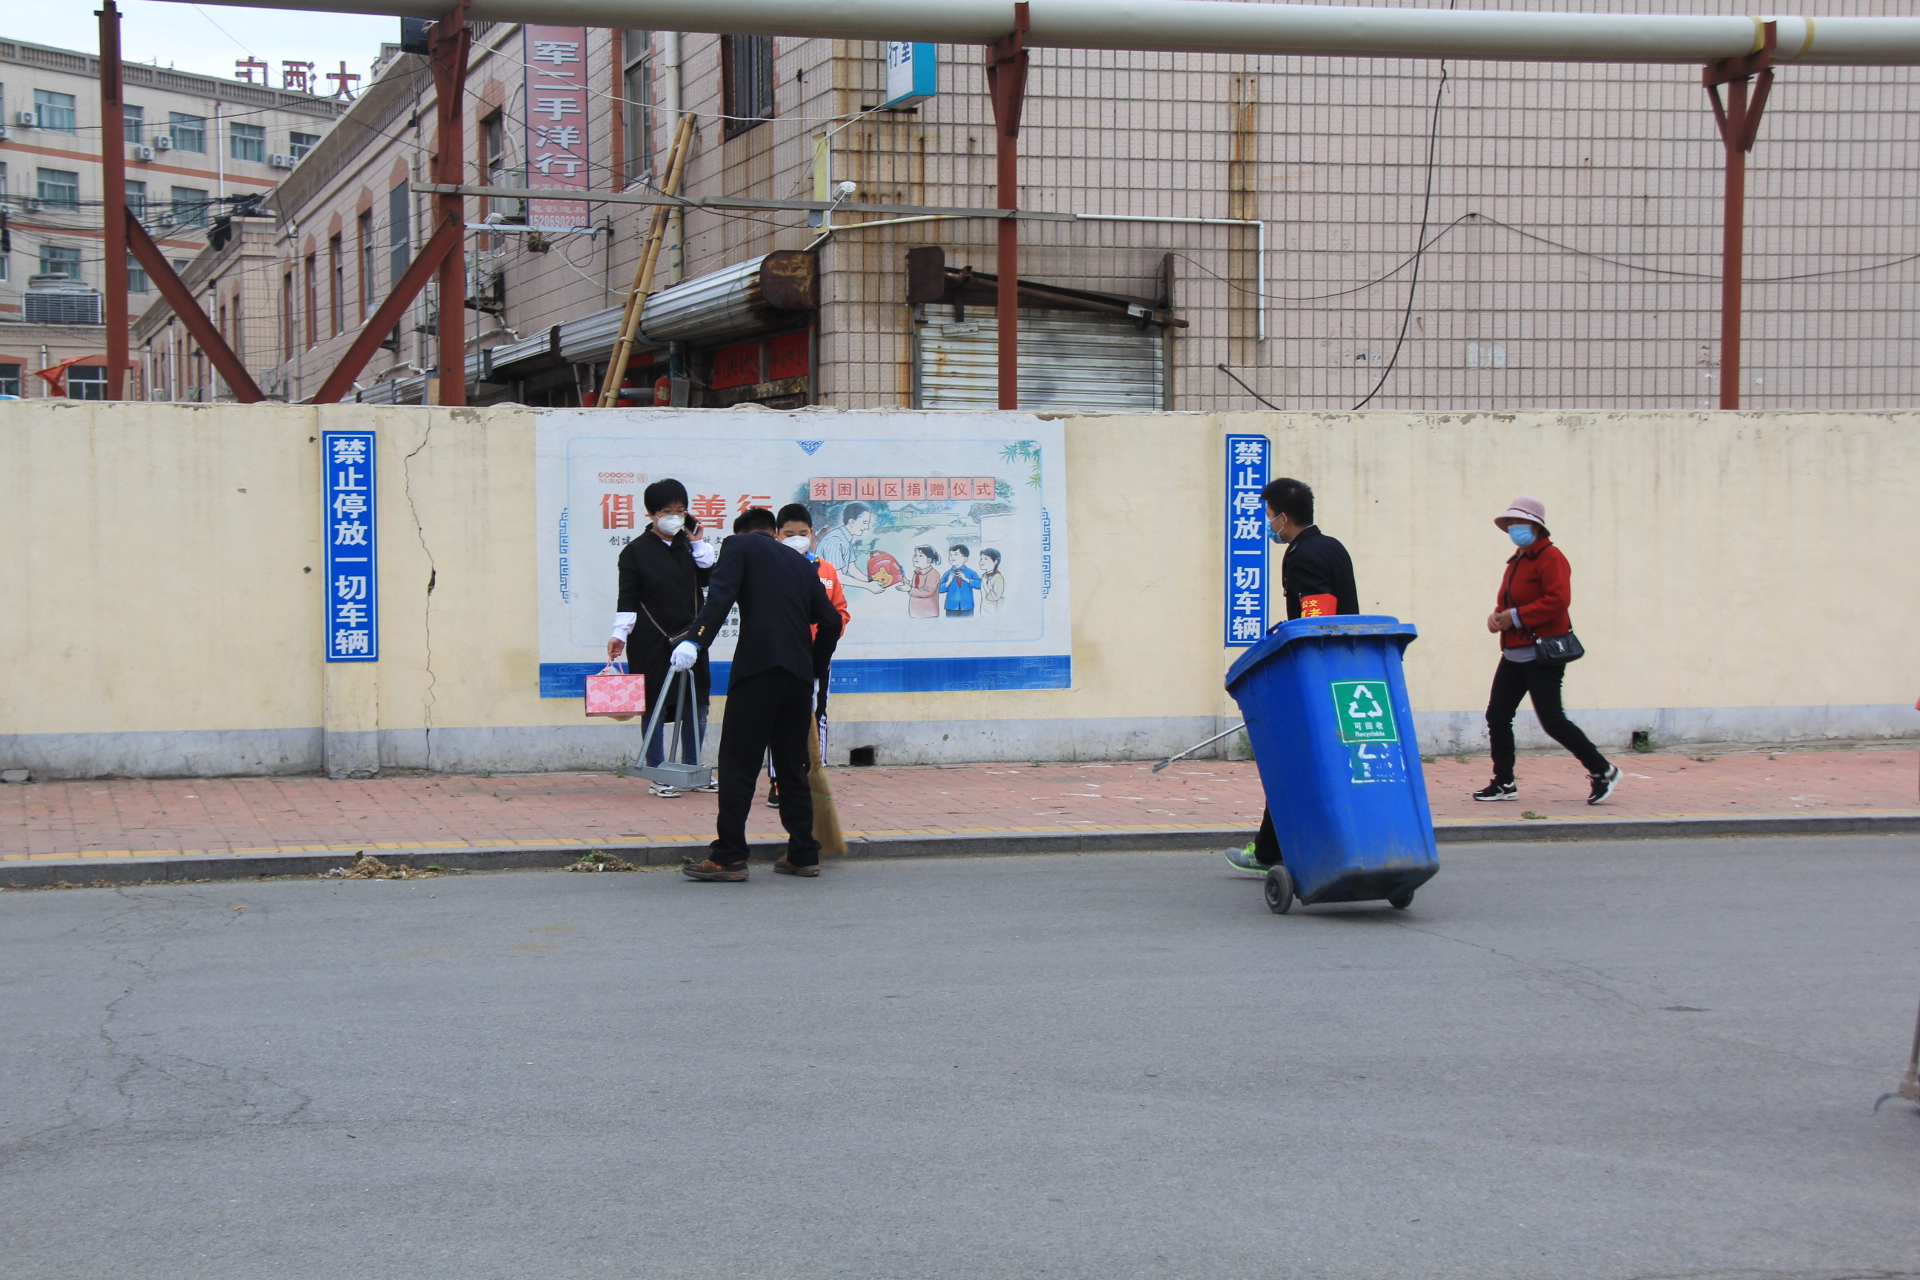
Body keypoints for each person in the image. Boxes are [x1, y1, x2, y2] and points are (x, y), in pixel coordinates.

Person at [671, 507, 844, 882]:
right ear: (773, 532)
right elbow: (831, 621)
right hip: (798, 678)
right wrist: (814, 669)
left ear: (742, 532)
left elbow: (720, 597)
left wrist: (694, 641)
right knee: (791, 766)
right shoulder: (801, 563)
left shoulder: (739, 545)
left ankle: (730, 856)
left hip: (758, 671)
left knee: (738, 763)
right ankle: (803, 853)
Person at [1224, 477, 1360, 874]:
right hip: (1342, 668)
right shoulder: (1332, 546)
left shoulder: (1302, 555)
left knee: (1292, 762)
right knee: (1314, 763)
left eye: (1269, 516)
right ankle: (1283, 847)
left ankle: (1269, 853)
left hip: (1315, 674)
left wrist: (1293, 641)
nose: (1268, 524)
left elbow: (1317, 617)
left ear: (1283, 517)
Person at [1474, 496, 1620, 805]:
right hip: (1513, 653)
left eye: (1520, 523)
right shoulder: (1516, 560)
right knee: (1497, 716)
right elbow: (1507, 602)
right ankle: (1504, 782)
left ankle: (1603, 770)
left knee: (1552, 720)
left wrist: (1514, 617)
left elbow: (1558, 600)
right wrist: (1497, 617)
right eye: (1511, 524)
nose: (1514, 529)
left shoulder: (1551, 557)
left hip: (1541, 654)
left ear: (1536, 527)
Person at [609, 479, 717, 797]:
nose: (675, 517)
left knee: (696, 704)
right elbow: (628, 597)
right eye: (667, 511)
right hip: (651, 640)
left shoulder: (689, 547)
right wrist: (619, 635)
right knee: (654, 705)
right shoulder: (635, 551)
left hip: (691, 639)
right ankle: (657, 771)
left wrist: (698, 542)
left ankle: (692, 768)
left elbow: (710, 578)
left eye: (681, 511)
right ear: (651, 514)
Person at [765, 502, 851, 809]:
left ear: (812, 533)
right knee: (779, 719)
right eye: (789, 534)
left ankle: (815, 777)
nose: (797, 539)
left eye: (802, 533)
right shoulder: (768, 569)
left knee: (817, 716)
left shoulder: (826, 570)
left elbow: (840, 613)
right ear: (776, 535)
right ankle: (778, 781)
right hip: (780, 658)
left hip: (817, 659)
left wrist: (824, 643)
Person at [816, 501, 888, 593]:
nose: (866, 527)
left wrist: (871, 581)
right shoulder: (835, 540)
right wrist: (867, 586)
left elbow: (852, 569)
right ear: (852, 522)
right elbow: (837, 576)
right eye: (864, 523)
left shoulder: (846, 539)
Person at [940, 544, 982, 617]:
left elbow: (980, 585)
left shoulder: (970, 572)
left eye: (956, 554)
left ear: (965, 559)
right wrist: (948, 581)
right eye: (950, 555)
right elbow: (938, 589)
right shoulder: (948, 574)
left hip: (967, 606)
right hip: (951, 607)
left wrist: (966, 579)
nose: (952, 557)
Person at [904, 545, 941, 618]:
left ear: (929, 560)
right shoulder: (917, 572)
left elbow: (927, 591)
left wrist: (909, 589)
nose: (916, 558)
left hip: (928, 613)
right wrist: (907, 581)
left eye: (920, 556)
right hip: (914, 612)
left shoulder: (933, 574)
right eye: (915, 555)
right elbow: (917, 585)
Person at [978, 548, 1007, 615]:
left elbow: (995, 597)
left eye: (986, 559)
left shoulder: (998, 577)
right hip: (984, 610)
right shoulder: (984, 576)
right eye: (981, 559)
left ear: (995, 562)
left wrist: (985, 585)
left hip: (994, 611)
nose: (982, 561)